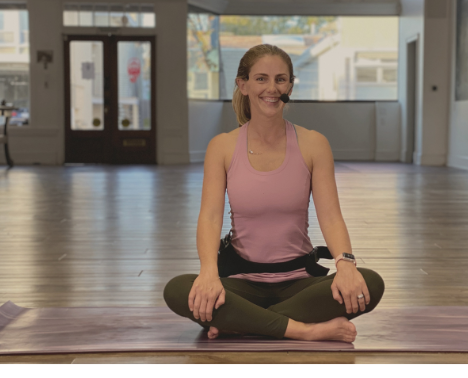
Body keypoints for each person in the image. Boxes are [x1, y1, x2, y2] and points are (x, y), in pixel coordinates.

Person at [163, 44, 384, 343]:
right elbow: (210, 216)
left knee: (369, 283)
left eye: (281, 79)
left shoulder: (314, 144)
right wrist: (208, 273)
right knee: (178, 289)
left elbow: (331, 217)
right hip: (241, 283)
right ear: (243, 85)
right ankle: (304, 329)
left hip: (300, 283)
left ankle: (243, 323)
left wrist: (346, 265)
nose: (272, 87)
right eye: (261, 79)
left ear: (290, 86)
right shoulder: (223, 147)